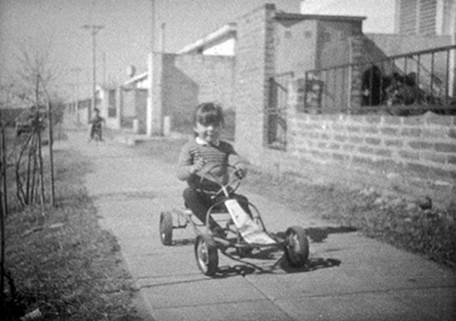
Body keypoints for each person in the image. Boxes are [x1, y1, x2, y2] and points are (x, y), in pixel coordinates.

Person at [176, 102, 250, 233]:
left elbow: (236, 160)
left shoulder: (225, 147)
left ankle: (248, 232)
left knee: (242, 201)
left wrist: (240, 168)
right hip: (199, 194)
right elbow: (180, 173)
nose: (211, 129)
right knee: (188, 194)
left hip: (221, 193)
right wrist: (192, 169)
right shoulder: (190, 148)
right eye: (205, 125)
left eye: (215, 125)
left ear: (221, 127)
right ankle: (215, 228)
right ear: (195, 127)